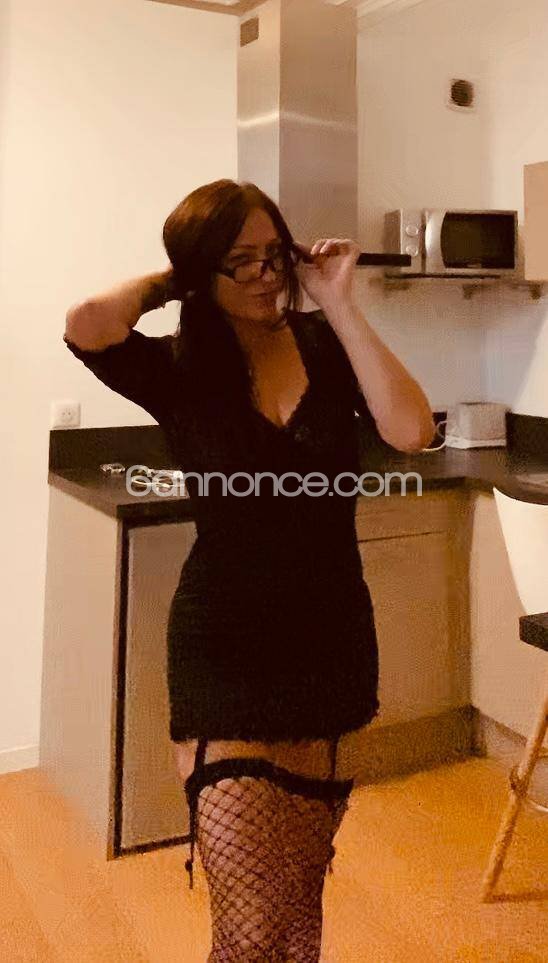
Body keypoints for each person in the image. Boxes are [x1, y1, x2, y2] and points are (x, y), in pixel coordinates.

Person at [64, 179, 435, 962]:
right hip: (225, 647)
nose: (268, 275)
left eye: (275, 253)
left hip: (329, 638)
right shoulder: (177, 365)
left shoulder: (326, 344)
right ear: (203, 273)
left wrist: (339, 302)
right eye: (242, 261)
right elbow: (88, 323)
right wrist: (176, 280)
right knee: (249, 927)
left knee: (297, 914)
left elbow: (411, 429)